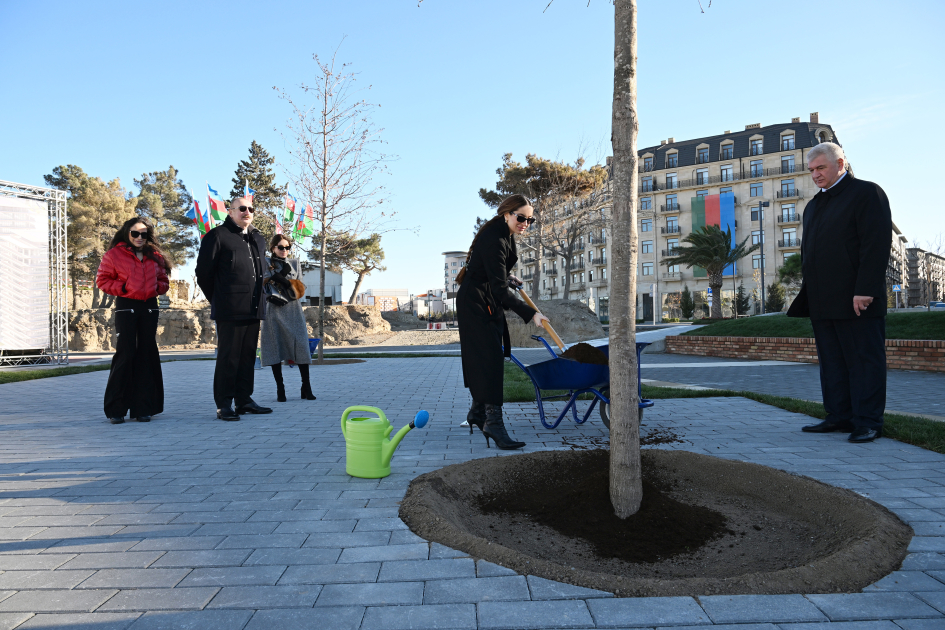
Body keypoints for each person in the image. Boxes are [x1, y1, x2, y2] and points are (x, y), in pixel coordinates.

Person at [787, 142, 892, 443]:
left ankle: (868, 422)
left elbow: (876, 245)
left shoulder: (867, 193)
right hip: (822, 300)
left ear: (840, 164)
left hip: (858, 299)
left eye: (821, 168)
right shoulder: (814, 205)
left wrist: (866, 290)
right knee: (832, 363)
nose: (815, 175)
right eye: (811, 170)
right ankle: (839, 416)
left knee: (864, 362)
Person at [456, 194, 549, 449]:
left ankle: (478, 412)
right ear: (507, 214)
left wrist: (507, 277)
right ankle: (493, 423)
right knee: (489, 361)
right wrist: (531, 314)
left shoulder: (504, 234)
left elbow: (491, 271)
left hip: (483, 298)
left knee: (488, 358)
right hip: (475, 303)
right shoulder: (494, 239)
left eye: (530, 220)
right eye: (521, 218)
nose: (525, 224)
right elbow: (498, 289)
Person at [195, 196, 273, 421]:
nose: (247, 212)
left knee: (248, 356)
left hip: (254, 307)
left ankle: (244, 400)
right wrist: (219, 299)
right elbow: (204, 274)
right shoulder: (217, 236)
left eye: (251, 209)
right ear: (230, 212)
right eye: (242, 208)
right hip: (229, 309)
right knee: (229, 357)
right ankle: (224, 404)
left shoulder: (257, 238)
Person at [96, 217, 170, 424]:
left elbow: (164, 280)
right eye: (135, 233)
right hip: (126, 305)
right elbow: (102, 280)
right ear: (127, 233)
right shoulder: (113, 255)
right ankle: (116, 409)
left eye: (143, 234)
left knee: (147, 353)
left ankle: (143, 408)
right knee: (126, 353)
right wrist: (124, 288)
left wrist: (157, 288)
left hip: (149, 306)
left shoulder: (155, 256)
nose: (139, 237)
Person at [261, 234, 317, 402]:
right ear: (273, 248)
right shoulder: (265, 262)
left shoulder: (294, 263)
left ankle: (306, 386)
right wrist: (276, 275)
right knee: (275, 346)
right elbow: (262, 282)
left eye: (287, 247)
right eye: (281, 247)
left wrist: (286, 281)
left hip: (293, 309)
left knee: (301, 345)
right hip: (274, 308)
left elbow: (301, 287)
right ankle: (280, 388)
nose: (284, 250)